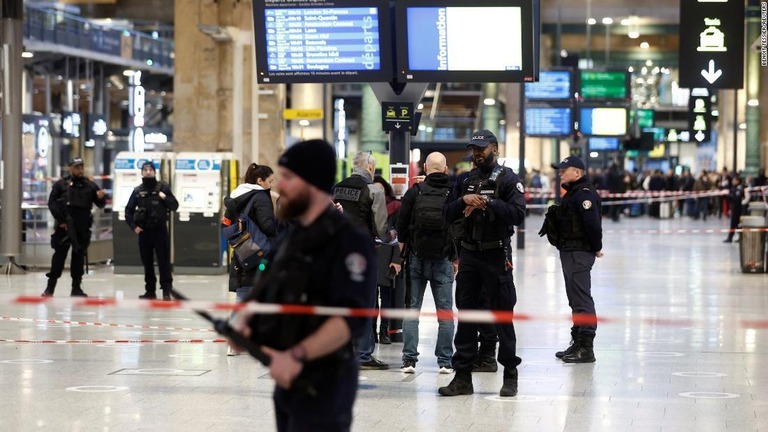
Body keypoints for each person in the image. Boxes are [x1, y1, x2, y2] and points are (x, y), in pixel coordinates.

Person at [228, 139, 375, 432]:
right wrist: (245, 322)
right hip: (287, 380)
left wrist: (297, 356)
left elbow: (350, 318)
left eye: (287, 178)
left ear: (311, 183)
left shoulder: (348, 241)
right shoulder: (291, 237)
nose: (280, 187)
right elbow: (268, 289)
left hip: (324, 381)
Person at [440, 129, 526, 397]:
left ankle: (510, 374)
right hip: (469, 256)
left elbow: (518, 215)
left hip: (496, 255)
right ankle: (462, 377)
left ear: (495, 149)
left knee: (502, 315)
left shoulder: (509, 179)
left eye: (482, 148)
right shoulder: (464, 180)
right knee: (466, 315)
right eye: (474, 149)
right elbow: (446, 213)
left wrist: (488, 203)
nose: (477, 153)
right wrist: (463, 200)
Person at [333, 151, 394, 370]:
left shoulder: (337, 188)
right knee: (366, 302)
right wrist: (389, 237)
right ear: (369, 167)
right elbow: (381, 228)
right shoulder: (373, 191)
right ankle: (363, 354)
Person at [397, 151, 456, 374]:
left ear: (424, 167)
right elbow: (458, 225)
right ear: (445, 168)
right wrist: (455, 257)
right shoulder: (452, 192)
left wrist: (405, 253)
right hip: (443, 259)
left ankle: (409, 360)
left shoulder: (415, 192)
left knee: (412, 310)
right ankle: (444, 362)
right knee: (445, 313)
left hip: (416, 258)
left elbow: (401, 227)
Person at [548, 156, 604, 363]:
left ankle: (586, 348)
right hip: (569, 250)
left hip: (579, 251)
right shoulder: (573, 193)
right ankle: (577, 343)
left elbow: (592, 225)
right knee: (574, 299)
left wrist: (597, 247)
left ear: (578, 173)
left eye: (564, 170)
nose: (560, 173)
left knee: (581, 298)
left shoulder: (584, 194)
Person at [41, 157, 107, 297]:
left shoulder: (89, 185)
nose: (80, 170)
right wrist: (61, 220)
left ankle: (76, 288)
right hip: (64, 228)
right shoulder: (61, 185)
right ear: (70, 168)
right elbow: (52, 203)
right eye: (77, 167)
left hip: (81, 229)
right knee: (58, 258)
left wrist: (101, 197)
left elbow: (100, 204)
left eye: (81, 167)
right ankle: (50, 288)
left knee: (78, 259)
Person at [222, 163, 278, 303]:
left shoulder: (235, 196)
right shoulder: (261, 197)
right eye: (270, 181)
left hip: (242, 253)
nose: (271, 185)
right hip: (259, 253)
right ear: (260, 180)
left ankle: (236, 325)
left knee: (242, 298)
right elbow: (268, 226)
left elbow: (225, 224)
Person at [124, 161, 179, 300]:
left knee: (164, 262)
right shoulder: (137, 191)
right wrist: (134, 227)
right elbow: (128, 211)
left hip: (160, 231)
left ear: (155, 172)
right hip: (144, 232)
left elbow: (174, 206)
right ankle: (150, 290)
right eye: (145, 169)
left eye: (151, 169)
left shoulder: (163, 188)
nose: (148, 172)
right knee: (147, 262)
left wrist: (165, 197)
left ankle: (166, 291)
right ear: (142, 173)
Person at [372, 175, 402, 345]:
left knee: (387, 297)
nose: (378, 193)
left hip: (388, 256)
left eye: (381, 189)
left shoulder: (395, 207)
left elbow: (400, 234)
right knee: (371, 298)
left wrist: (396, 259)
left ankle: (384, 331)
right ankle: (371, 332)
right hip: (372, 255)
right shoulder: (367, 207)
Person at [724, 175, 750, 243]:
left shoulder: (741, 188)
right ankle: (732, 237)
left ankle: (736, 237)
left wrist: (742, 203)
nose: (733, 181)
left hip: (739, 209)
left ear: (738, 181)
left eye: (734, 180)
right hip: (735, 208)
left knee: (737, 224)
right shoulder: (734, 188)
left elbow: (744, 198)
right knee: (735, 224)